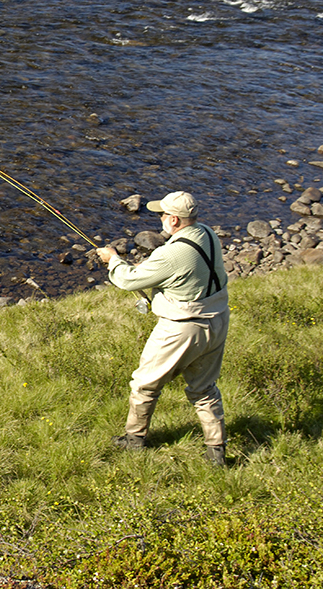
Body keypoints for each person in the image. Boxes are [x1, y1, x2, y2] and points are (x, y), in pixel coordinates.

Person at [95, 191, 230, 467]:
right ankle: (216, 452)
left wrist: (113, 260)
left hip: (183, 329)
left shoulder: (171, 254)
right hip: (217, 319)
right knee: (204, 389)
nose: (159, 219)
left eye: (162, 215)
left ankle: (134, 441)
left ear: (174, 220)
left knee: (145, 384)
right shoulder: (207, 233)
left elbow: (130, 280)